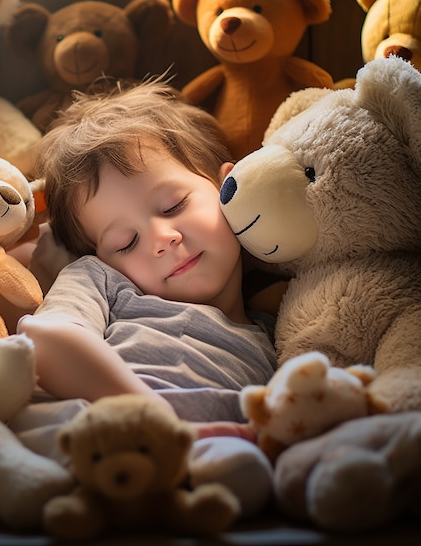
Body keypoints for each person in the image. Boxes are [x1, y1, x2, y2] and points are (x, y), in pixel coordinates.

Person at [17, 78, 277, 433]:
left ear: (227, 186)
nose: (161, 239)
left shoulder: (279, 336)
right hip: (75, 437)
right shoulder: (104, 281)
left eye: (174, 205)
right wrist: (153, 417)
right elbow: (44, 342)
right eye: (125, 243)